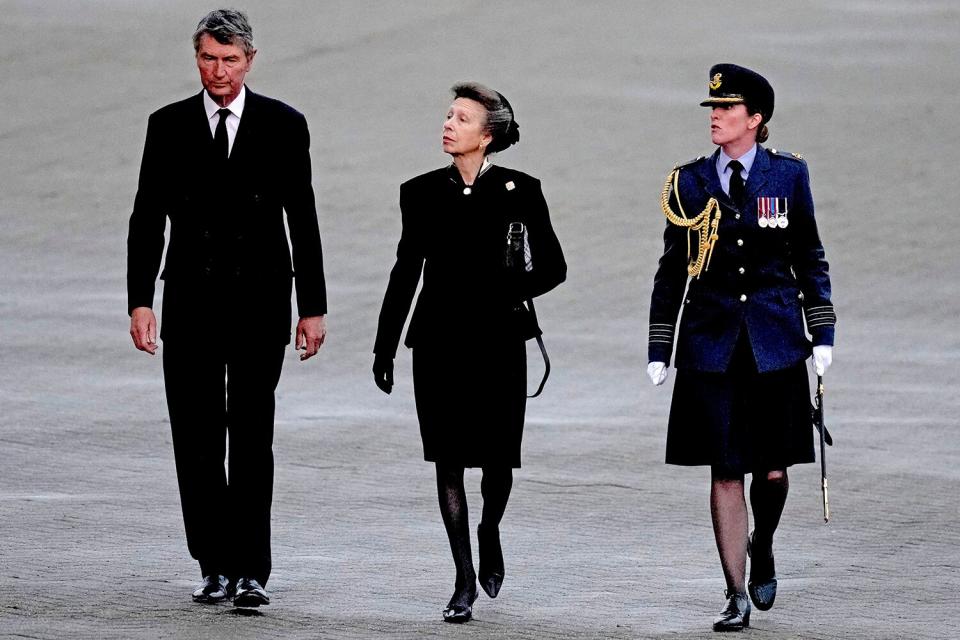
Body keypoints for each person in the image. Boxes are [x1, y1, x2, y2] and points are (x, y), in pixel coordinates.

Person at [126, 9, 327, 608]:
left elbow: (304, 219)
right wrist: (140, 300)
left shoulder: (286, 125)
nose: (219, 71)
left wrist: (312, 307)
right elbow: (146, 219)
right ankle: (212, 562)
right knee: (195, 434)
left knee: (251, 434)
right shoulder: (167, 125)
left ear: (250, 61)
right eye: (209, 58)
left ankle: (251, 570)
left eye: (230, 60)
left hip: (261, 302)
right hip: (188, 301)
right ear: (197, 59)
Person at [646, 63, 836, 632]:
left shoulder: (788, 176)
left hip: (775, 342)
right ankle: (734, 594)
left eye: (727, 109)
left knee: (773, 472)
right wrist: (660, 345)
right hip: (710, 345)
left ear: (755, 120)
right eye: (712, 108)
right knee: (725, 470)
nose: (716, 117)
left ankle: (765, 544)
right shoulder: (689, 182)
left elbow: (809, 256)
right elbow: (670, 271)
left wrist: (822, 332)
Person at [373, 82, 566, 623]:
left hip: (501, 343)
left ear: (488, 135)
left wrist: (504, 290)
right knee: (448, 460)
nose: (448, 125)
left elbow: (554, 267)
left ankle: (490, 530)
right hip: (436, 345)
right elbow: (405, 272)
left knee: (499, 461)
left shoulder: (521, 191)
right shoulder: (420, 192)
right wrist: (384, 347)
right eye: (447, 115)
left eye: (461, 119)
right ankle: (462, 577)